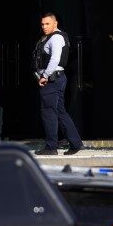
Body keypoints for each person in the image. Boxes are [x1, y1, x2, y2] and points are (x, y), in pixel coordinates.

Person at [33, 12, 84, 156]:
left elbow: (55, 59)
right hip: (56, 79)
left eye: (47, 23)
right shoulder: (51, 37)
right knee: (60, 112)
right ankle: (75, 143)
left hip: (52, 80)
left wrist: (45, 75)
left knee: (49, 113)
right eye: (42, 24)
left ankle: (51, 147)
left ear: (55, 23)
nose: (44, 27)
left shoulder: (55, 38)